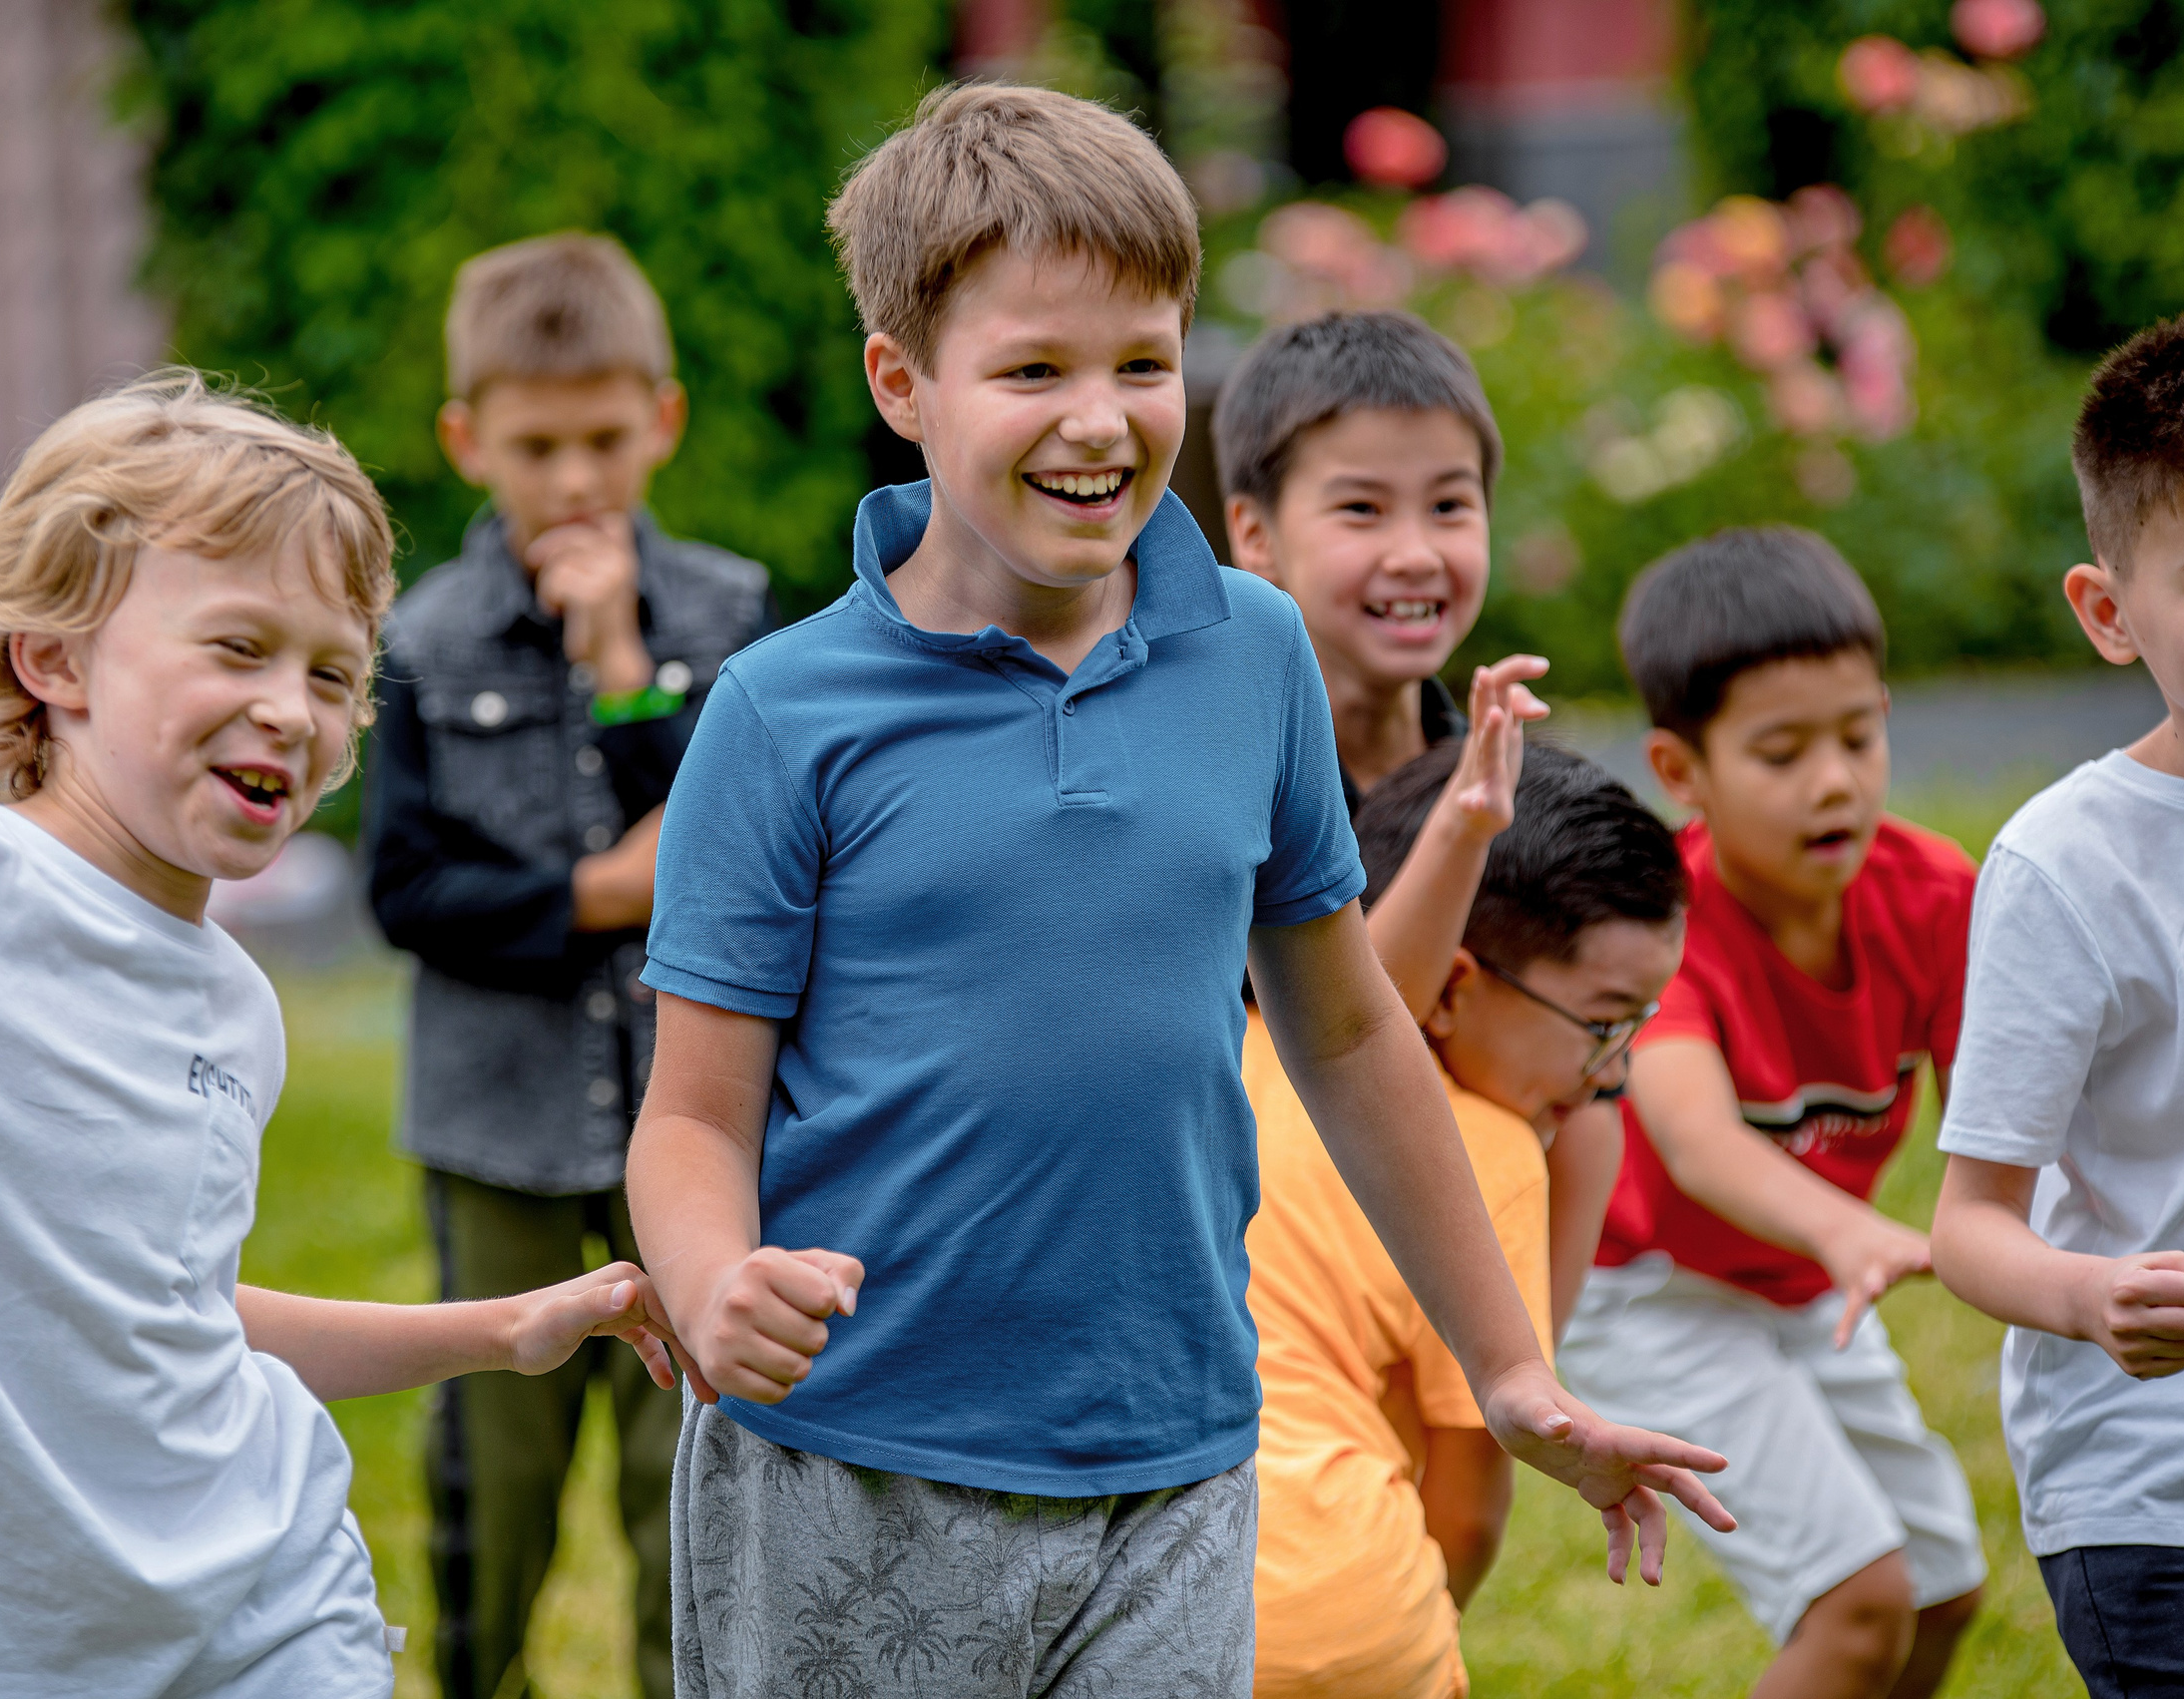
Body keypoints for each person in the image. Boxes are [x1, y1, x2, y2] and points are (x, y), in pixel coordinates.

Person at [627, 82, 1730, 1698]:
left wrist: (1510, 1368)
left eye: (1143, 362)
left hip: (1182, 1456)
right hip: (855, 1459)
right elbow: (693, 1115)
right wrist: (716, 1278)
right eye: (1034, 370)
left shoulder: (1253, 648)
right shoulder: (784, 713)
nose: (1100, 418)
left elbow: (1353, 1037)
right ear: (902, 383)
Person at [0, 371, 675, 1697]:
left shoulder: (235, 1002)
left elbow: (174, 1315)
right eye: (237, 645)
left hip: (262, 1629)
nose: (293, 705)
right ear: (53, 658)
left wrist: (500, 1328)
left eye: (333, 671)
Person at [363, 231, 770, 1699]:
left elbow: (739, 841)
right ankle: (478, 1675)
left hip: (693, 1115)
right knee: (496, 1464)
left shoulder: (729, 616)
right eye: (538, 446)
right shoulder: (420, 636)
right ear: (471, 440)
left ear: (661, 420)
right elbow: (407, 889)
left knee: (688, 1468)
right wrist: (600, 889)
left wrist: (622, 666)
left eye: (606, 438)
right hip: (501, 1127)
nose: (576, 479)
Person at [1556, 527, 1986, 1699]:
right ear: (1681, 770)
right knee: (1856, 1608)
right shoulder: (1662, 919)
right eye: (1781, 751)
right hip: (1650, 1290)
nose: (1835, 779)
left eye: (1859, 735)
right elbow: (1694, 1140)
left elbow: (2003, 1122)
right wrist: (1850, 1230)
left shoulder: (1936, 893)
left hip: (1799, 1288)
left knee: (1943, 1587)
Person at [1929, 311, 2184, 1698]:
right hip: (2159, 1492)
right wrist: (2092, 1292)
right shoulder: (2070, 864)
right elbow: (1968, 1227)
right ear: (2110, 612)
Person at [1249, 743, 1687, 1699]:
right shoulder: (1488, 1148)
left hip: (1134, 1589)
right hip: (1342, 1610)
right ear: (1451, 990)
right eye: (1604, 1020)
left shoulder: (1228, 1049)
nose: (1613, 1072)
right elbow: (1473, 1504)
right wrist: (1415, 1627)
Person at [1214, 308, 1612, 1340]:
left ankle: (1521, 1376)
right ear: (1254, 535)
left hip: (1451, 1234)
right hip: (1272, 1246)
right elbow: (1334, 1035)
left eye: (1448, 505)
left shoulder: (1477, 742)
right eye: (1360, 509)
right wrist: (1462, 825)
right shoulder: (1229, 765)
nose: (1414, 553)